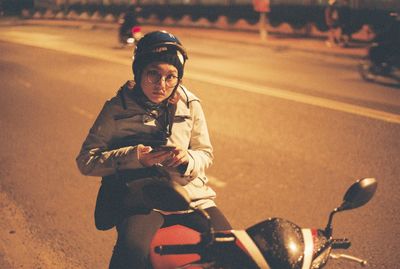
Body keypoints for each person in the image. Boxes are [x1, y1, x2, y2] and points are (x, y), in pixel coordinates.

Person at [76, 30, 231, 269]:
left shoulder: (190, 104)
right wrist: (135, 157)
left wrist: (186, 158)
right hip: (142, 197)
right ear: (139, 72)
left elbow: (205, 152)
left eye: (171, 76)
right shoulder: (117, 108)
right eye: (153, 74)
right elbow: (87, 160)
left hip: (192, 195)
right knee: (132, 252)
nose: (161, 84)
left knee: (229, 248)